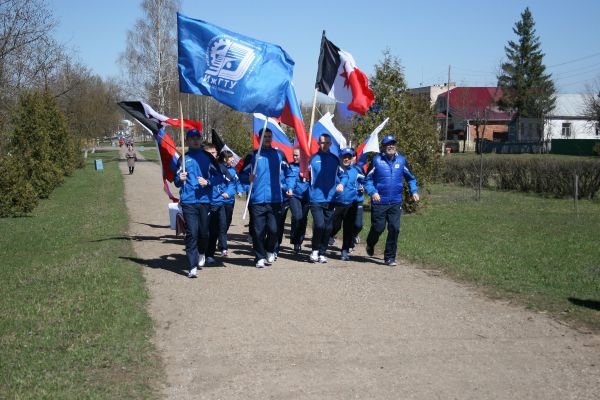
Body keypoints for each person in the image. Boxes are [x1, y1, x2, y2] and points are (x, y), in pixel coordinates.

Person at [363, 135, 420, 266]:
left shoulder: (401, 160)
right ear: (383, 147)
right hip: (379, 201)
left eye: (393, 143)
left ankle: (389, 257)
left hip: (395, 201)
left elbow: (411, 178)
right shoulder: (376, 161)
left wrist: (414, 191)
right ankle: (370, 244)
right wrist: (373, 192)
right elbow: (367, 180)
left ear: (396, 146)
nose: (391, 146)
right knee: (378, 228)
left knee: (394, 228)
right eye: (388, 144)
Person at [239, 128, 290, 268]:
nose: (267, 139)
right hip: (257, 199)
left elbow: (289, 173)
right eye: (264, 136)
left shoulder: (279, 154)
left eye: (269, 136)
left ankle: (269, 250)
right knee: (258, 231)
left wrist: (288, 186)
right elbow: (241, 175)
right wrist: (247, 178)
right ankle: (259, 257)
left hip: (275, 200)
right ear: (259, 138)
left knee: (274, 230)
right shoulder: (253, 156)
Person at [173, 129, 220, 278]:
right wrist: (180, 178)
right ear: (186, 141)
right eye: (192, 138)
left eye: (197, 138)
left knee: (203, 233)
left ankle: (201, 252)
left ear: (201, 140)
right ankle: (192, 266)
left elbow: (219, 176)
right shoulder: (183, 159)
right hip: (188, 200)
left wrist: (208, 182)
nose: (195, 140)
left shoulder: (207, 157)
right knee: (192, 232)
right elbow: (176, 182)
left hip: (204, 200)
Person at [308, 133, 347, 263]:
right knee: (319, 225)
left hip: (330, 199)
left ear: (330, 144)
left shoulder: (335, 159)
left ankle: (322, 252)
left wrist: (341, 183)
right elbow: (304, 173)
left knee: (328, 227)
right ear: (318, 143)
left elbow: (344, 175)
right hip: (315, 199)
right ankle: (314, 250)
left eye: (327, 143)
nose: (325, 145)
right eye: (322, 142)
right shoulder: (312, 158)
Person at [330, 148, 365, 261]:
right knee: (335, 225)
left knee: (348, 228)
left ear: (351, 158)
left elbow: (366, 181)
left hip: (351, 203)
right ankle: (330, 235)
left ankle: (344, 250)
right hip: (337, 202)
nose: (346, 159)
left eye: (349, 157)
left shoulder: (356, 170)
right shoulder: (335, 169)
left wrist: (363, 187)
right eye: (344, 157)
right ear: (341, 157)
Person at [204, 143, 235, 264]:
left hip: (219, 202)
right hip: (204, 203)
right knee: (204, 230)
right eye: (209, 153)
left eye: (214, 153)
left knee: (219, 228)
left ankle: (210, 254)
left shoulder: (221, 167)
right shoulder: (200, 166)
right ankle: (201, 251)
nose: (212, 155)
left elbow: (231, 183)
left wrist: (228, 192)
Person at [218, 150, 244, 257]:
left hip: (230, 201)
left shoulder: (233, 171)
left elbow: (237, 182)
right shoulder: (218, 169)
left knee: (227, 222)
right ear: (224, 159)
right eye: (230, 158)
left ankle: (220, 239)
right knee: (222, 224)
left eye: (233, 157)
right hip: (219, 201)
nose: (233, 159)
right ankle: (223, 247)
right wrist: (222, 193)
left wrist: (240, 190)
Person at [285, 148, 310, 254]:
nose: (295, 157)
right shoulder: (290, 166)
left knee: (303, 219)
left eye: (297, 155)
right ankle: (294, 238)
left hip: (307, 196)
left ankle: (298, 243)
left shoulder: (309, 167)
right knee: (297, 216)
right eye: (294, 155)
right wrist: (289, 188)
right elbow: (289, 179)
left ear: (303, 156)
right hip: (294, 195)